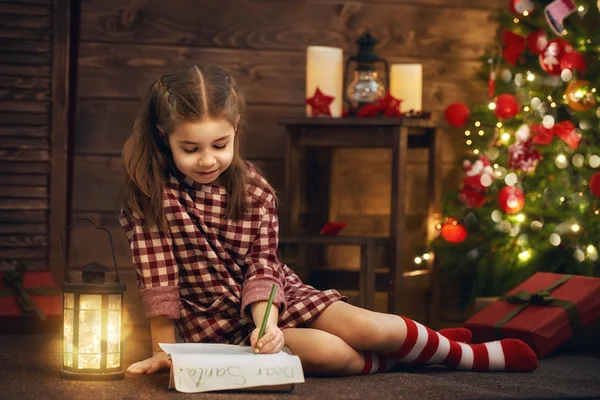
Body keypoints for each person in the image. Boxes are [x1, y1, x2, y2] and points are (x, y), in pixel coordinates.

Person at [119, 65, 538, 376]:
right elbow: (160, 282)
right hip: (211, 323)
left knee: (368, 326)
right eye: (190, 148)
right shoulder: (150, 195)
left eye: (220, 145)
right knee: (331, 353)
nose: (207, 160)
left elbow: (262, 265)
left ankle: (463, 356)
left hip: (272, 299)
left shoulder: (255, 188)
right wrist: (168, 353)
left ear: (235, 129)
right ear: (163, 135)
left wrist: (267, 323)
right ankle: (421, 352)